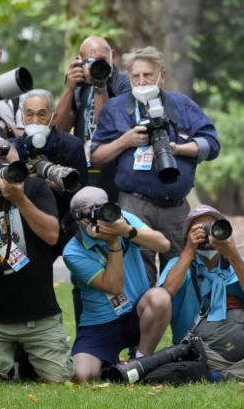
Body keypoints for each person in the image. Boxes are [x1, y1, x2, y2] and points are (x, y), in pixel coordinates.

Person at [90, 46, 219, 282]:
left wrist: (180, 149)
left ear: (162, 75)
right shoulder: (115, 108)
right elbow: (96, 156)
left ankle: (179, 317)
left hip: (176, 205)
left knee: (181, 275)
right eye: (136, 76)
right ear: (128, 77)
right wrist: (125, 141)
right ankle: (143, 319)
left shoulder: (182, 105)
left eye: (148, 74)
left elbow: (212, 144)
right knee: (140, 274)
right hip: (135, 203)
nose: (142, 81)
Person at [0, 140, 73, 383]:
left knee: (60, 382)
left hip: (40, 317)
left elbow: (52, 235)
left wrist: (19, 200)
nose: (5, 173)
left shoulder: (35, 188)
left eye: (11, 166)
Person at [160, 205, 244, 381]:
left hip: (239, 344)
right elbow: (167, 291)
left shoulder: (237, 263)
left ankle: (221, 375)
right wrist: (189, 250)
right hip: (199, 348)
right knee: (196, 358)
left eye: (211, 228)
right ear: (187, 235)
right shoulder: (179, 264)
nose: (206, 234)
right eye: (199, 230)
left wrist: (232, 253)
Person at [62, 187, 172, 382]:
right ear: (79, 219)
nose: (99, 220)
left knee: (160, 297)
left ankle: (140, 363)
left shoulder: (124, 220)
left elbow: (163, 245)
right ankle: (107, 365)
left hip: (137, 312)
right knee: (81, 376)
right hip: (100, 324)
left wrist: (127, 231)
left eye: (102, 210)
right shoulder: (73, 251)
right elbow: (113, 287)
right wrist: (113, 242)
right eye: (91, 215)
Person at [53, 36, 131, 194]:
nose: (98, 65)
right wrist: (69, 88)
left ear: (113, 56)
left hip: (114, 172)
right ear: (79, 61)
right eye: (91, 60)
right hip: (82, 169)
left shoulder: (123, 83)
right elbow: (59, 131)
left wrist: (99, 85)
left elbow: (107, 128)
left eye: (102, 59)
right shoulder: (78, 84)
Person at [13, 88, 87, 231]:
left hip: (63, 221)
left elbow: (83, 191)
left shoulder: (72, 145)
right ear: (22, 118)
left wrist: (61, 187)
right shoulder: (14, 148)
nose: (35, 121)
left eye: (42, 115)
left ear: (53, 117)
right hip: (24, 224)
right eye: (29, 115)